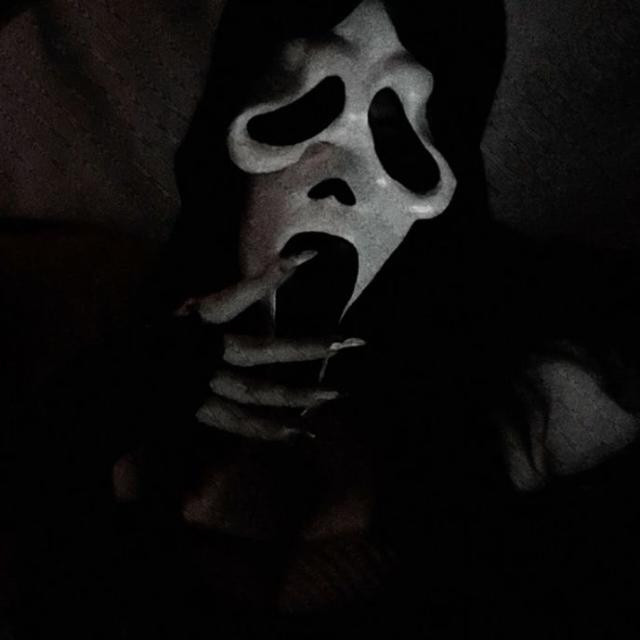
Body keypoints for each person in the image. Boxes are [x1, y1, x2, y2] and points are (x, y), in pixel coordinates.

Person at [5, 1, 640, 638]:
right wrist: (88, 425)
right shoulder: (81, 319)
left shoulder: (516, 403)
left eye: (395, 132)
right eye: (300, 113)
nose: (338, 181)